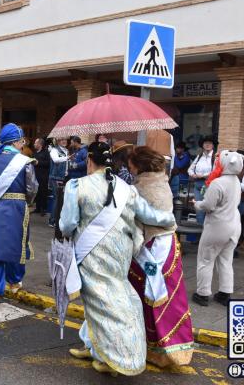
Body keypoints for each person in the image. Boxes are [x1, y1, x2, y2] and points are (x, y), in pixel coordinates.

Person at [59, 142, 176, 376]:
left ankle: (112, 359)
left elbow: (67, 224)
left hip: (91, 252)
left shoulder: (77, 186)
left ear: (89, 160)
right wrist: (170, 221)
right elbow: (149, 215)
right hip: (121, 253)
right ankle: (93, 346)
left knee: (105, 304)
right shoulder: (126, 188)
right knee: (107, 299)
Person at [126, 146, 194, 367]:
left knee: (144, 294)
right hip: (169, 244)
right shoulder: (162, 180)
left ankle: (149, 346)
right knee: (170, 297)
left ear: (137, 165)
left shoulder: (139, 188)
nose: (128, 166)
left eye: (130, 162)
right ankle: (171, 347)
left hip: (151, 245)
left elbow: (144, 218)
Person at [0, 123, 38, 306]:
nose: (23, 144)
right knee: (15, 245)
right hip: (17, 206)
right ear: (17, 141)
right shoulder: (24, 161)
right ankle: (14, 282)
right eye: (22, 140)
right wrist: (28, 202)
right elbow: (32, 188)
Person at [192, 150, 243, 306]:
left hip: (218, 226)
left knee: (205, 260)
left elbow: (208, 205)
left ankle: (202, 294)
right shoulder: (236, 182)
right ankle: (225, 293)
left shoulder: (218, 183)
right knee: (226, 260)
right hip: (234, 225)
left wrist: (196, 204)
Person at [187, 136, 216, 234]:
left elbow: (215, 172)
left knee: (208, 209)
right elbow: (190, 169)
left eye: (210, 143)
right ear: (202, 145)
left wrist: (203, 175)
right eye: (205, 143)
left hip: (209, 185)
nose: (207, 145)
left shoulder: (215, 157)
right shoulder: (199, 156)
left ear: (213, 145)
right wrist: (193, 175)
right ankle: (199, 234)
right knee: (198, 208)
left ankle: (207, 234)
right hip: (198, 185)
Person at [48, 138, 69, 227]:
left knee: (60, 199)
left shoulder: (66, 150)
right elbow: (55, 160)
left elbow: (66, 163)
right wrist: (67, 158)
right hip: (55, 177)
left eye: (65, 140)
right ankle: (52, 220)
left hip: (63, 177)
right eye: (61, 140)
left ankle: (56, 219)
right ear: (58, 141)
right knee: (57, 198)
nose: (64, 141)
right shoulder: (54, 150)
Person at [33, 138, 50, 216]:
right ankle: (37, 208)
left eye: (36, 143)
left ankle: (43, 209)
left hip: (43, 176)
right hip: (36, 175)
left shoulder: (46, 153)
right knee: (37, 192)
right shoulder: (35, 153)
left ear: (40, 144)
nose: (34, 144)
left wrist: (38, 162)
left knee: (43, 192)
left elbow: (48, 163)